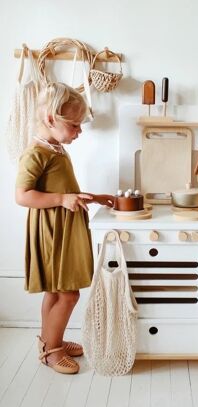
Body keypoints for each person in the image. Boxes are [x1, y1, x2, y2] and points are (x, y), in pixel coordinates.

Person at [15, 82, 114, 374]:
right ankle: (52, 351)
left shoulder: (55, 147)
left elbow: (64, 188)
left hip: (62, 227)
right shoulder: (36, 153)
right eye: (74, 125)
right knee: (67, 294)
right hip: (51, 232)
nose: (79, 132)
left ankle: (49, 342)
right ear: (50, 120)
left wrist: (94, 197)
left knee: (56, 293)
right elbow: (22, 196)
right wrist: (61, 199)